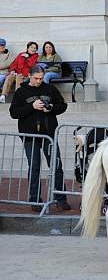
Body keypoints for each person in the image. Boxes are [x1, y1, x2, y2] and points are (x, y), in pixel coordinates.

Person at [9, 65, 70, 212]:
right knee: (34, 167)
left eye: (41, 78)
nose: (38, 81)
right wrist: (32, 106)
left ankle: (61, 198)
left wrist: (50, 108)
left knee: (56, 166)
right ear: (30, 76)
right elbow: (14, 112)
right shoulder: (21, 91)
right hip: (30, 136)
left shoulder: (50, 89)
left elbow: (62, 105)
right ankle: (35, 200)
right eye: (36, 78)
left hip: (49, 134)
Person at [0, 38, 14, 102]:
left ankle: (2, 96)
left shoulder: (9, 54)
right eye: (0, 45)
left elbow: (7, 64)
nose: (1, 47)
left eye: (3, 45)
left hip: (3, 73)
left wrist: (2, 66)